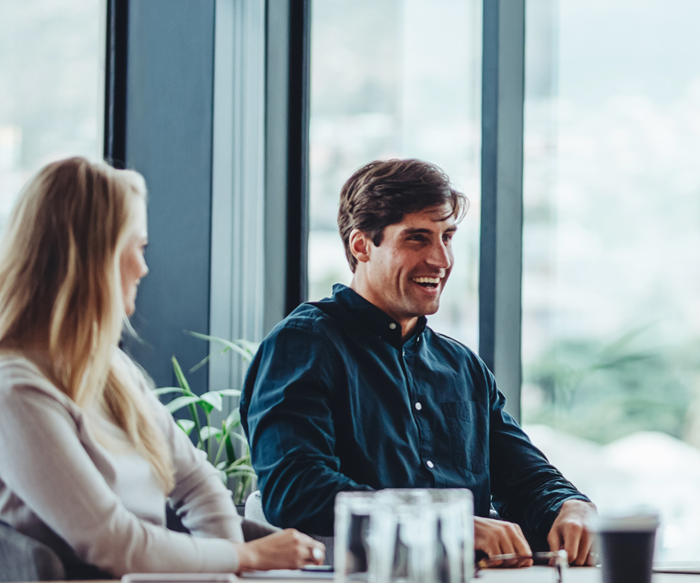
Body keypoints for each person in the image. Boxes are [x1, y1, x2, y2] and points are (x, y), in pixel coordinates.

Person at [0, 157, 324, 577]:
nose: (143, 267)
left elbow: (196, 481)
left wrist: (225, 572)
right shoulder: (10, 393)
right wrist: (245, 556)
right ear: (91, 259)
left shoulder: (108, 369)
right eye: (136, 248)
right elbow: (113, 543)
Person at [242, 158, 596, 567]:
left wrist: (570, 505)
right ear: (361, 246)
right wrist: (446, 524)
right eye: (417, 239)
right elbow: (296, 490)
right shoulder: (303, 344)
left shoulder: (462, 366)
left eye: (447, 237)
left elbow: (526, 477)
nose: (441, 260)